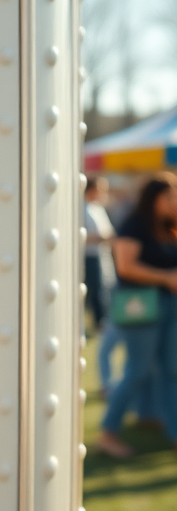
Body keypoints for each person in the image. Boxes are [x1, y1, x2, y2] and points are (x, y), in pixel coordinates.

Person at [97, 174, 177, 458]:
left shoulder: (168, 228)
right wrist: (166, 277)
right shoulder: (134, 224)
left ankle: (171, 430)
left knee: (171, 370)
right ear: (154, 198)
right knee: (138, 370)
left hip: (167, 305)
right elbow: (126, 266)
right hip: (139, 305)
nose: (175, 201)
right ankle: (108, 432)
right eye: (170, 196)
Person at [84, 176, 115, 332]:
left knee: (104, 288)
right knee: (96, 289)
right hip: (89, 255)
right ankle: (99, 322)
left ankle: (103, 320)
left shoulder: (98, 208)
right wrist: (102, 238)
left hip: (102, 253)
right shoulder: (82, 208)